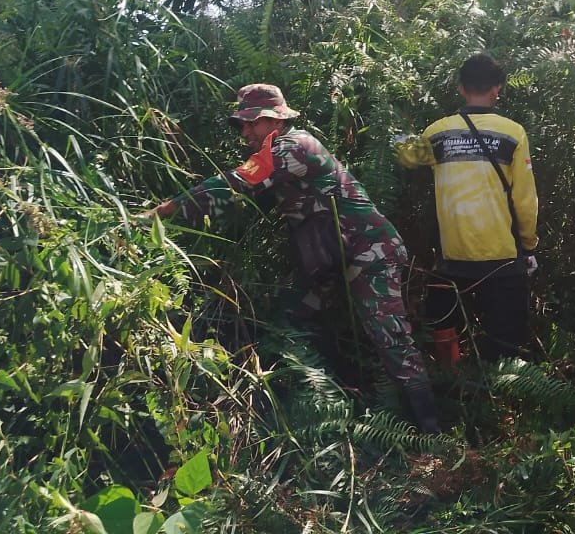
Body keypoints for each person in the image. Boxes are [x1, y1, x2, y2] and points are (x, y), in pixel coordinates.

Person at [143, 84, 440, 433]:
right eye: (241, 124)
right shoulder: (276, 152)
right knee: (292, 319)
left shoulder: (294, 146)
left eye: (253, 122)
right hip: (333, 261)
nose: (246, 132)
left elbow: (237, 182)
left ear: (277, 120)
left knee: (391, 339)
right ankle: (331, 409)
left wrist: (163, 212)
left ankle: (431, 435)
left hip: (370, 253)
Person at [398, 54, 538, 366]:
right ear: (497, 89)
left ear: (461, 88)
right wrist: (528, 244)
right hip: (502, 256)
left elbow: (407, 158)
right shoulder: (513, 133)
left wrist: (401, 129)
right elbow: (525, 199)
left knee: (443, 322)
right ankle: (501, 386)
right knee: (505, 335)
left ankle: (451, 378)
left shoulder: (437, 132)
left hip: (452, 254)